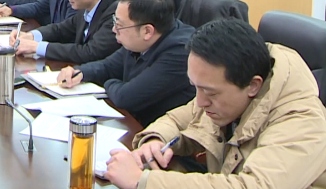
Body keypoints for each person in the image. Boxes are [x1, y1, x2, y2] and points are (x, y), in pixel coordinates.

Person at [105, 19, 326, 189]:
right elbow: (179, 119)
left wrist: (143, 181)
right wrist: (156, 139)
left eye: (210, 92)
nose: (200, 102)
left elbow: (254, 186)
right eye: (195, 87)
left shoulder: (303, 122)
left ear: (253, 85)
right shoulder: (225, 91)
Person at [56, 0, 195, 126]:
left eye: (119, 25)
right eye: (114, 21)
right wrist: (80, 72)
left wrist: (110, 82)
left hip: (155, 132)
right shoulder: (139, 39)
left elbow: (126, 98)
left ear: (147, 31)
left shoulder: (180, 53)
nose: (114, 30)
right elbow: (108, 66)